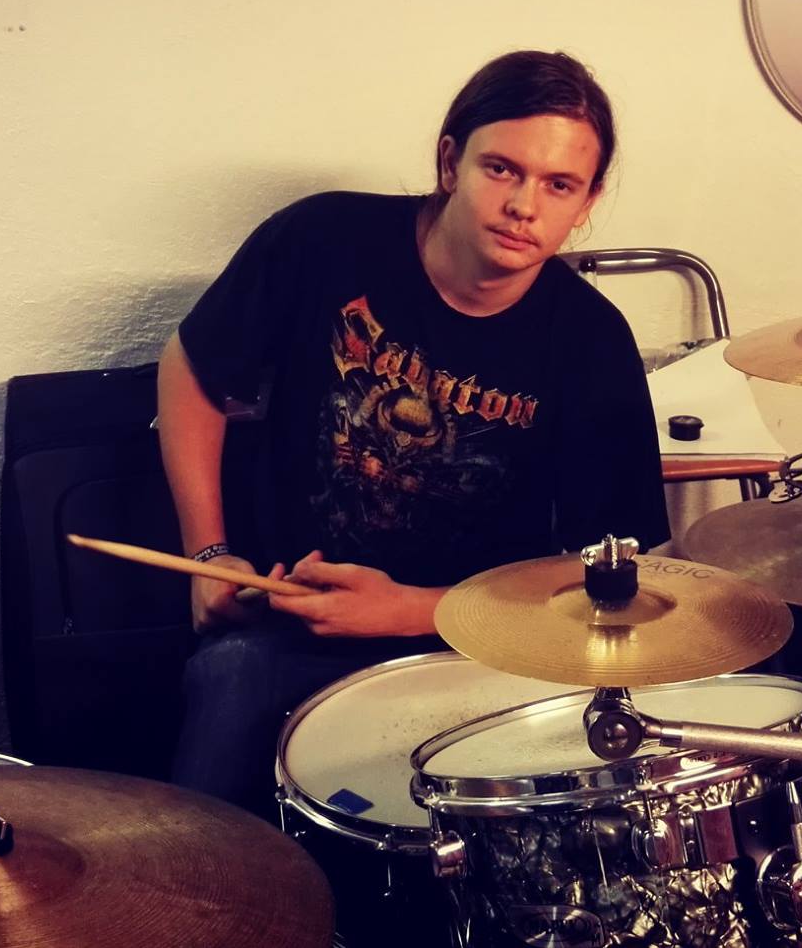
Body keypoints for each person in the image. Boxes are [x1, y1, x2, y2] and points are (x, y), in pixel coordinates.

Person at [157, 50, 671, 811]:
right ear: (449, 161)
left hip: (478, 643)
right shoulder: (322, 239)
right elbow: (192, 369)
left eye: (558, 184)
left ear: (587, 202)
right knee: (199, 827)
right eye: (502, 169)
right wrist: (207, 555)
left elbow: (608, 571)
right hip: (285, 622)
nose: (524, 205)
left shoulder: (592, 340)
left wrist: (410, 609)